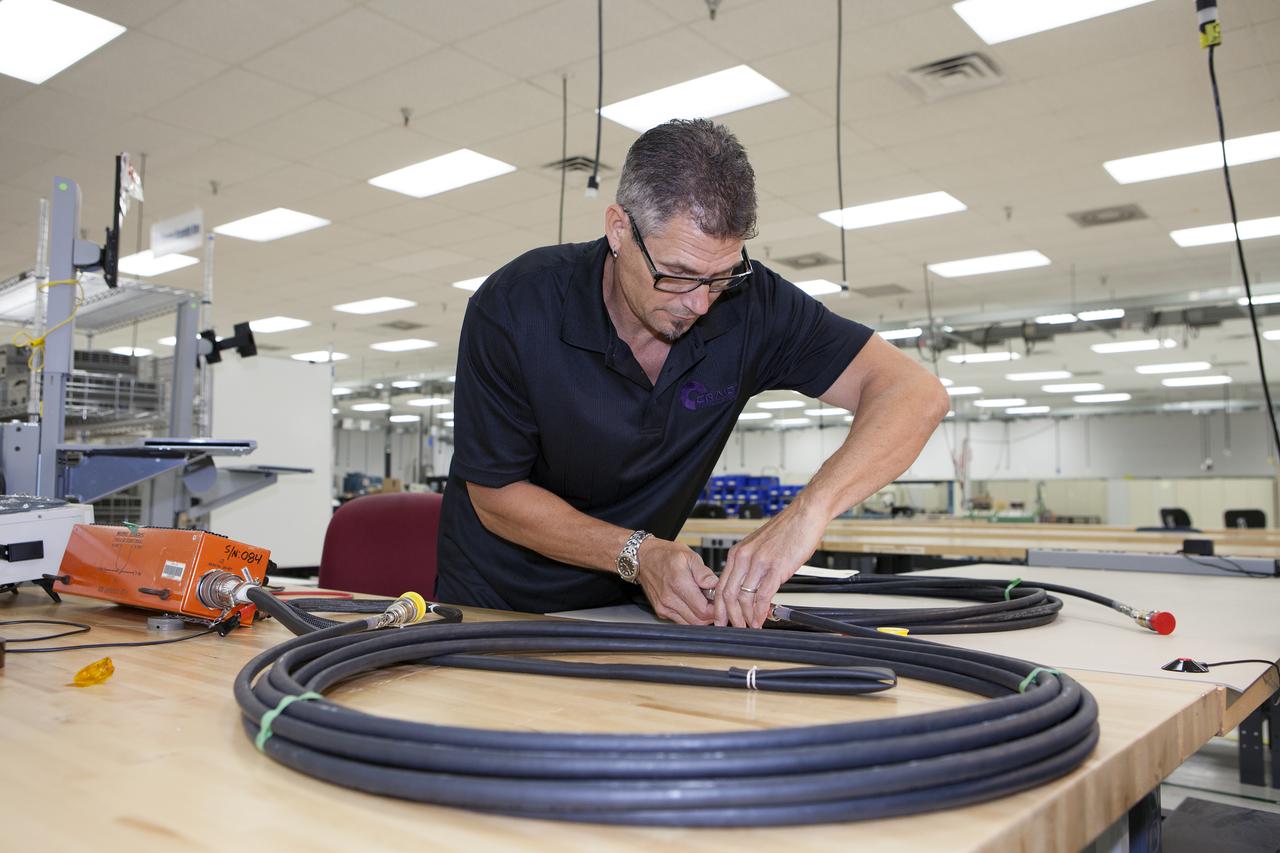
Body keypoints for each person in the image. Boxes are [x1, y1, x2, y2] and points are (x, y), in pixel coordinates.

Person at [436, 118, 949, 629]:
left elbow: (915, 393)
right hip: (497, 605)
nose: (700, 303)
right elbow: (496, 496)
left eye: (721, 277)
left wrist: (805, 516)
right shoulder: (517, 306)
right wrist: (638, 554)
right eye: (677, 275)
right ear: (619, 230)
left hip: (636, 606)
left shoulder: (752, 305)